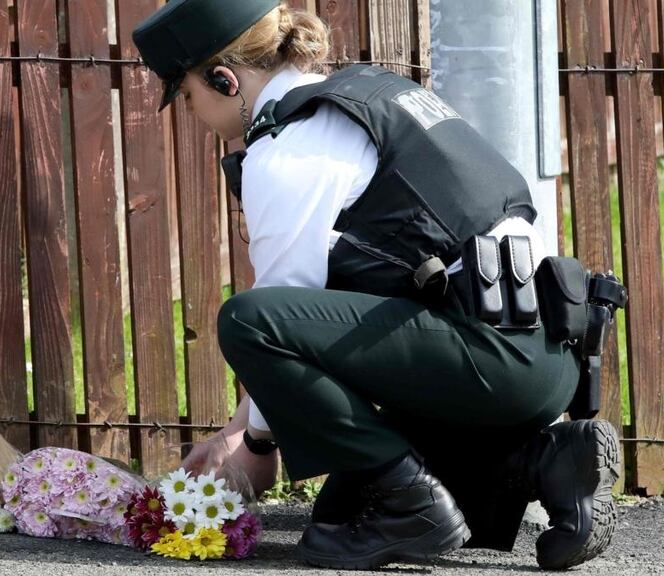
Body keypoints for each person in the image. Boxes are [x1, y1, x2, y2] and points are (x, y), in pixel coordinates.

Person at [132, 0, 621, 571]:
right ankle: (549, 461)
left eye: (188, 95)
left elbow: (277, 317)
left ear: (225, 78)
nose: (191, 112)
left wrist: (255, 445)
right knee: (341, 514)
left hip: (489, 361)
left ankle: (411, 504)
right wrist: (239, 432)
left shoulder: (290, 149)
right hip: (540, 360)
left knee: (246, 318)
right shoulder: (373, 92)